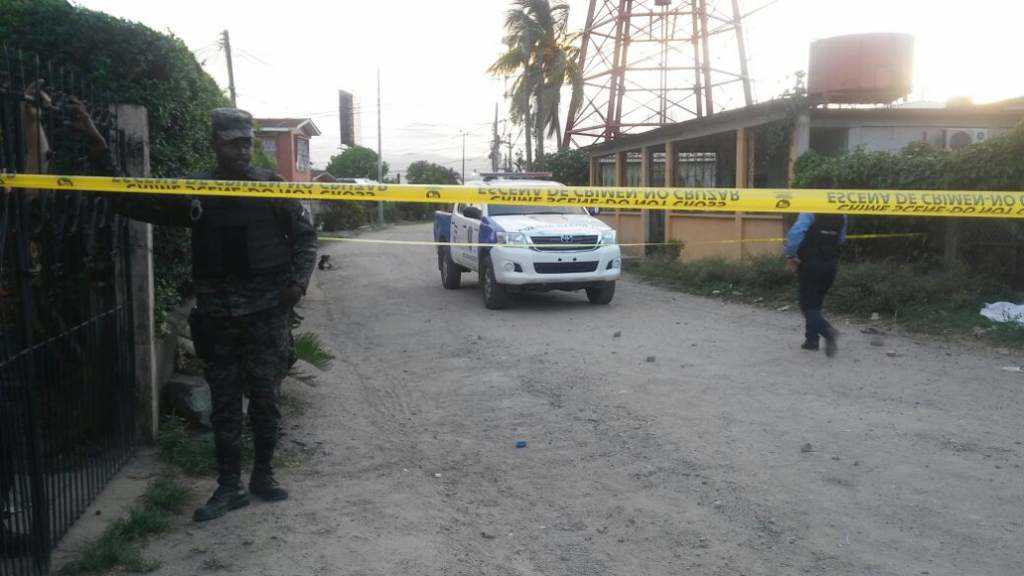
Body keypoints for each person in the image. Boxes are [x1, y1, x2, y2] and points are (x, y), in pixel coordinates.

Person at [110, 108, 318, 522]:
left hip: (266, 317)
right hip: (219, 319)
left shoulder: (270, 187)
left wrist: (297, 283)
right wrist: (100, 152)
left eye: (246, 142)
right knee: (224, 406)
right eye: (232, 142)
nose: (241, 150)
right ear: (216, 144)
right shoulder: (198, 191)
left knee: (266, 401)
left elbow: (306, 237)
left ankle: (262, 475)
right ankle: (228, 487)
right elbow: (132, 201)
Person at [784, 212, 847, 357]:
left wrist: (791, 254)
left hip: (810, 263)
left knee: (807, 305)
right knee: (816, 302)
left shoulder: (810, 211)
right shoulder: (842, 214)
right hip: (830, 264)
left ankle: (827, 331)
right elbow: (841, 239)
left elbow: (796, 233)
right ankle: (811, 340)